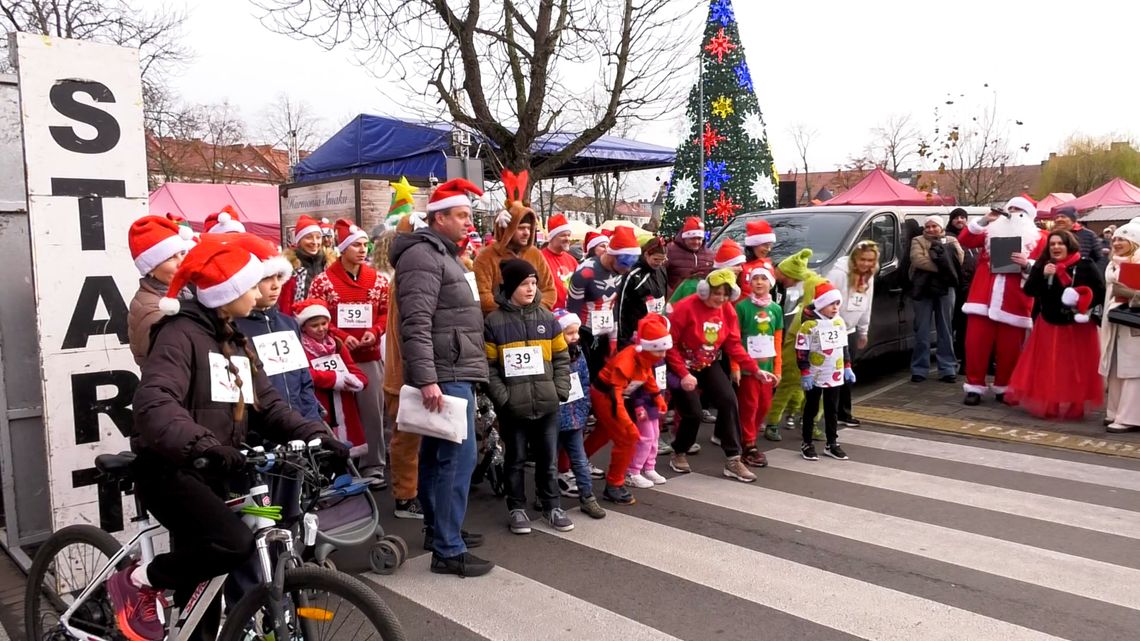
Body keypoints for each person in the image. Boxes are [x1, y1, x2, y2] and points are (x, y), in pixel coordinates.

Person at [117, 242, 343, 641]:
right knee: (233, 543)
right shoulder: (177, 334)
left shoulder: (235, 339)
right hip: (170, 468)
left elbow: (267, 405)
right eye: (251, 286)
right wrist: (204, 444)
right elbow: (155, 402)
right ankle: (140, 579)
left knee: (207, 583)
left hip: (215, 468)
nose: (259, 293)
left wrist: (316, 435)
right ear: (226, 292)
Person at [391, 178, 493, 577]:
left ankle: (440, 532)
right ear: (439, 218)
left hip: (451, 368)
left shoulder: (442, 254)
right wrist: (427, 378)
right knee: (456, 459)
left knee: (438, 457)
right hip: (445, 373)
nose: (469, 222)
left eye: (469, 215)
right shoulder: (424, 256)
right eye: (462, 215)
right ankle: (448, 549)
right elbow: (415, 323)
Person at [484, 259, 573, 534]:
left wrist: (560, 390)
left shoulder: (547, 318)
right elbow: (489, 367)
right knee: (516, 460)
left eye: (534, 283)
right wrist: (504, 399)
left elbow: (562, 357)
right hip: (513, 408)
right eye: (524, 284)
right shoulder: (493, 322)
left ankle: (552, 506)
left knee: (548, 461)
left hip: (547, 404)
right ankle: (517, 508)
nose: (531, 288)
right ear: (511, 286)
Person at [308, 219, 390, 487]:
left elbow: (385, 313)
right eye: (356, 245)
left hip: (368, 356)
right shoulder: (323, 282)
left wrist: (375, 331)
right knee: (338, 413)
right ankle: (341, 464)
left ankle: (374, 465)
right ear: (343, 248)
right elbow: (316, 316)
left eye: (365, 244)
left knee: (372, 412)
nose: (363, 249)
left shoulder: (378, 280)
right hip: (334, 358)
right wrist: (341, 337)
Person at [666, 269, 761, 482]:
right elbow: (669, 344)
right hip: (681, 365)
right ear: (705, 290)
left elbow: (733, 344)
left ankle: (733, 459)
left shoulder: (727, 310)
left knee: (728, 401)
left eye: (726, 294)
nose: (721, 298)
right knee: (694, 413)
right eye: (717, 293)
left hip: (708, 363)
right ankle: (679, 451)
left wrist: (755, 369)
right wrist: (683, 373)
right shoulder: (685, 307)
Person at [1005, 230, 1105, 419]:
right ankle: (1050, 402)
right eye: (1052, 244)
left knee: (1075, 367)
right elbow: (1030, 291)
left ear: (1069, 245)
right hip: (1049, 323)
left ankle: (1075, 404)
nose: (1056, 247)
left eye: (1060, 243)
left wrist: (1081, 300)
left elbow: (1100, 292)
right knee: (1049, 366)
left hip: (1077, 326)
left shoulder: (1085, 265)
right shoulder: (1043, 265)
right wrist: (1043, 275)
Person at [225, 234, 324, 424]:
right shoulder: (233, 327)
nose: (276, 285)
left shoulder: (289, 324)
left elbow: (304, 378)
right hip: (262, 428)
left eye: (279, 277)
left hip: (300, 424)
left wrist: (312, 420)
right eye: (266, 278)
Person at [958, 196, 1047, 406]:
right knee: (975, 345)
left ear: (1028, 215)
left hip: (1015, 300)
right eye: (1010, 208)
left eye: (1019, 210)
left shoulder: (1042, 238)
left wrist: (1027, 264)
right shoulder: (990, 230)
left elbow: (1045, 268)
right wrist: (984, 220)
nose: (1013, 213)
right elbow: (965, 240)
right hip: (982, 298)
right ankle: (974, 386)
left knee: (1010, 349)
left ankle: (1004, 386)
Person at [584, 313, 672, 505]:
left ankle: (575, 462)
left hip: (613, 396)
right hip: (605, 396)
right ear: (648, 347)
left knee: (604, 433)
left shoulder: (644, 357)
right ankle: (614, 485)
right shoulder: (626, 361)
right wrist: (627, 424)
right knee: (627, 438)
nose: (663, 355)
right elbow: (616, 398)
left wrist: (657, 397)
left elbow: (647, 375)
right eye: (659, 351)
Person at [381, 217, 426, 520]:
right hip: (406, 373)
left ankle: (417, 492)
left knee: (423, 437)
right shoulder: (407, 276)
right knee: (407, 436)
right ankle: (405, 496)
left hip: (417, 369)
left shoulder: (419, 270)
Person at [473, 170, 557, 314]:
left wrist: (531, 313)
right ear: (508, 229)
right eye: (521, 228)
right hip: (498, 324)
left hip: (533, 322)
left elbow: (549, 291)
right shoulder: (486, 257)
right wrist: (511, 313)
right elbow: (481, 296)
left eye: (529, 228)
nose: (527, 233)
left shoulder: (535, 254)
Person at [766, 249, 827, 439]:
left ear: (790, 274)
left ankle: (802, 421)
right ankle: (775, 422)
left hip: (808, 337)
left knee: (807, 383)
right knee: (793, 383)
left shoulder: (813, 284)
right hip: (803, 336)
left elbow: (810, 314)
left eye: (781, 274)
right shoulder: (807, 283)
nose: (778, 278)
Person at [552, 310, 606, 519]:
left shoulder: (579, 353)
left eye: (576, 332)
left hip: (575, 417)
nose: (575, 337)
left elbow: (584, 381)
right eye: (569, 333)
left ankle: (587, 497)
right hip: (554, 418)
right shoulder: (550, 355)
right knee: (548, 461)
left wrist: (584, 408)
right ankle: (545, 496)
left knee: (580, 460)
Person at [568, 225, 641, 378]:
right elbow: (572, 311)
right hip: (584, 334)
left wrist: (613, 340)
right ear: (612, 255)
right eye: (624, 265)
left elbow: (613, 305)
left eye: (630, 266)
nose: (627, 270)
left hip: (605, 334)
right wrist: (573, 342)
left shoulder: (620, 270)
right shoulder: (585, 273)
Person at [295, 299, 368, 452]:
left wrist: (357, 381)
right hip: (318, 403)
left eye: (324, 323)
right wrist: (335, 378)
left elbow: (354, 370)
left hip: (344, 404)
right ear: (303, 327)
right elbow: (305, 373)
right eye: (314, 325)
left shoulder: (336, 343)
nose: (321, 329)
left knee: (348, 445)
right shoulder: (300, 348)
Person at [796, 281, 855, 461]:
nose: (835, 307)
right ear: (821, 304)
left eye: (837, 303)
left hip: (834, 372)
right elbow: (801, 350)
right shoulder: (809, 325)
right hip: (815, 373)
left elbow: (844, 346)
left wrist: (847, 366)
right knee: (811, 408)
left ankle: (832, 443)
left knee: (832, 409)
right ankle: (807, 443)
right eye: (831, 304)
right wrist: (804, 371)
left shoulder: (839, 322)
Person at [127, 215, 193, 367]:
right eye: (170, 258)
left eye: (183, 253)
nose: (181, 263)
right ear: (150, 269)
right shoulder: (150, 309)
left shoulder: (182, 291)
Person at [826, 241, 879, 428]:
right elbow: (825, 298)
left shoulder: (868, 277)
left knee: (847, 372)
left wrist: (863, 330)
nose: (865, 264)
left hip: (850, 330)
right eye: (862, 259)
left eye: (870, 261)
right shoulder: (839, 273)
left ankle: (844, 413)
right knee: (831, 373)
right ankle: (828, 413)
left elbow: (866, 304)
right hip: (833, 329)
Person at [908, 215, 964, 383]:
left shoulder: (951, 240)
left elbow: (959, 259)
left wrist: (947, 265)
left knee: (945, 329)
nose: (931, 229)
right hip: (923, 288)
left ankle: (947, 368)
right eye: (928, 226)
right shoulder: (917, 240)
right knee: (922, 330)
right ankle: (919, 368)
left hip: (946, 289)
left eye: (934, 226)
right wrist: (945, 267)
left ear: (941, 227)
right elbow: (918, 260)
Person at [735, 266, 783, 458]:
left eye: (764, 278)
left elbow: (777, 340)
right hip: (748, 369)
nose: (759, 282)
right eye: (755, 278)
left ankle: (750, 436)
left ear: (771, 283)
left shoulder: (776, 309)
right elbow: (735, 340)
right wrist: (735, 366)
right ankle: (749, 443)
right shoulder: (742, 307)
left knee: (764, 405)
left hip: (767, 368)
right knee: (749, 405)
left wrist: (777, 369)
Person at [1100, 223, 1140, 432]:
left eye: (1122, 239)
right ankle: (1114, 411)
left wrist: (1132, 295)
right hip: (1116, 323)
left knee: (1133, 370)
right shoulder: (1113, 265)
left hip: (1134, 325)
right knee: (1115, 368)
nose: (1116, 243)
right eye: (1114, 239)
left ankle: (1130, 417)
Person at [615, 236, 670, 349]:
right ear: (646, 255)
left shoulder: (661, 270)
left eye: (662, 260)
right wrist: (622, 338)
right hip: (634, 330)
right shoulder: (632, 274)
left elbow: (663, 297)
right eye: (656, 259)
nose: (659, 263)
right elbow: (620, 306)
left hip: (654, 328)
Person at [280, 214, 337, 316]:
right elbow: (285, 304)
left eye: (318, 237)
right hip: (296, 320)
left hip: (327, 321)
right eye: (308, 237)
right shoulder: (289, 267)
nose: (314, 242)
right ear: (299, 241)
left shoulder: (330, 265)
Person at [945, 208, 978, 370]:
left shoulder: (972, 237)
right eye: (956, 217)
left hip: (973, 285)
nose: (960, 220)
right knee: (961, 324)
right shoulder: (949, 238)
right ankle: (962, 359)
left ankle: (969, 359)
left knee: (971, 325)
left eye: (962, 217)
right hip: (958, 287)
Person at [670, 238, 745, 303]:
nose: (741, 269)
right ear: (723, 267)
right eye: (736, 265)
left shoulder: (725, 286)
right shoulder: (696, 286)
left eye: (741, 265)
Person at [666, 216, 714, 295]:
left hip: (701, 299)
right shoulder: (670, 251)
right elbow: (660, 278)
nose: (696, 242)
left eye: (699, 238)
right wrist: (670, 295)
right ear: (685, 238)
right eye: (692, 238)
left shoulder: (709, 255)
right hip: (676, 299)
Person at [541, 213, 580, 309]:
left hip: (570, 313)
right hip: (548, 313)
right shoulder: (540, 258)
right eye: (563, 235)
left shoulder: (572, 260)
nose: (567, 239)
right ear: (552, 237)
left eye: (568, 235)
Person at [1052, 206, 1108, 271]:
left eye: (1063, 217)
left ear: (1073, 220)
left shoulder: (1088, 235)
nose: (1059, 219)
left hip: (1082, 273)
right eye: (1057, 217)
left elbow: (1100, 258)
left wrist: (1094, 273)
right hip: (1059, 272)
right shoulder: (1053, 236)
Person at [739, 218, 777, 298]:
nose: (768, 249)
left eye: (770, 245)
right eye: (765, 245)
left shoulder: (768, 266)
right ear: (754, 245)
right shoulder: (739, 266)